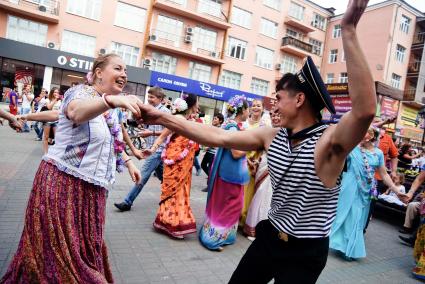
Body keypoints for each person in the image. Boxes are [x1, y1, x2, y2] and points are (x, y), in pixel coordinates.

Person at [136, 1, 376, 281]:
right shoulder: (271, 135)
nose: (273, 105)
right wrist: (162, 118)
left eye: (279, 97)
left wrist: (348, 29)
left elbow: (365, 110)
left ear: (299, 99)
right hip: (269, 236)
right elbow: (220, 136)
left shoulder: (329, 142)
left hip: (306, 253)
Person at [0, 54, 144, 283]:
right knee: (60, 255)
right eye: (118, 68)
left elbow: (112, 139)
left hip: (92, 191)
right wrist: (111, 101)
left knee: (82, 250)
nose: (124, 74)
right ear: (98, 72)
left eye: (126, 70)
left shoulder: (104, 105)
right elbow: (74, 112)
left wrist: (129, 162)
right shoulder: (80, 94)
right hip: (63, 184)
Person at [329, 127, 404, 260]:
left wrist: (396, 190)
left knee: (358, 219)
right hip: (349, 187)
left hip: (366, 190)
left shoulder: (378, 153)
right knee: (345, 215)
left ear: (369, 136)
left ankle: (349, 248)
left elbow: (384, 174)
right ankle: (342, 246)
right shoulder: (352, 149)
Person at [143, 93, 199, 239]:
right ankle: (171, 224)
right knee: (174, 192)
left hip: (184, 162)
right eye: (197, 103)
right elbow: (163, 135)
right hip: (175, 160)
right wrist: (153, 149)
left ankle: (171, 222)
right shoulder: (179, 119)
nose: (198, 106)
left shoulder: (188, 119)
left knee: (180, 191)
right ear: (192, 105)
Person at [199, 95, 249, 251]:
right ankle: (213, 239)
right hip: (230, 174)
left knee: (221, 205)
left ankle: (220, 235)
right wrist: (253, 145)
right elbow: (235, 153)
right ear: (244, 110)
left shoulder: (229, 124)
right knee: (232, 205)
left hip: (224, 172)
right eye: (248, 109)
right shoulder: (233, 128)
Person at [114, 86, 170, 211]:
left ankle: (127, 202)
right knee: (166, 179)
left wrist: (151, 133)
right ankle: (173, 197)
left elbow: (169, 132)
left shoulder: (165, 112)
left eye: (152, 97)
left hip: (159, 149)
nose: (149, 99)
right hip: (153, 149)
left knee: (142, 175)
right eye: (148, 96)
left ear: (160, 99)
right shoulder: (148, 110)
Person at [243, 111, 280, 240]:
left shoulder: (286, 133)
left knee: (266, 198)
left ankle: (261, 230)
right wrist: (255, 161)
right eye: (273, 116)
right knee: (259, 195)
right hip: (262, 166)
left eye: (278, 116)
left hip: (273, 169)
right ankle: (253, 227)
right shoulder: (267, 131)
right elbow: (259, 149)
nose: (275, 118)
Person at [240, 99, 268, 228]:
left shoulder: (264, 127)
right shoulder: (243, 124)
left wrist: (257, 160)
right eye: (254, 105)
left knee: (248, 194)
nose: (256, 107)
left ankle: (242, 221)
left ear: (262, 109)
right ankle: (234, 219)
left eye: (259, 106)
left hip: (253, 166)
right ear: (250, 109)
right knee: (238, 192)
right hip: (240, 161)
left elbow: (264, 146)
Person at [200, 113, 224, 178]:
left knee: (211, 168)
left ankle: (211, 181)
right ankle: (211, 179)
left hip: (214, 153)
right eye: (213, 118)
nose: (213, 120)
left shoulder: (220, 130)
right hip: (209, 151)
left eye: (215, 119)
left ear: (220, 121)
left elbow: (217, 141)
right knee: (203, 165)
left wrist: (208, 146)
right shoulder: (213, 128)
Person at [42, 87, 62, 154]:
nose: (56, 93)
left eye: (57, 92)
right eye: (55, 92)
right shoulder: (48, 100)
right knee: (46, 137)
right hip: (48, 120)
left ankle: (55, 153)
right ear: (52, 93)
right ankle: (46, 153)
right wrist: (55, 99)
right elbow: (49, 107)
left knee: (57, 137)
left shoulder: (60, 101)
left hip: (56, 121)